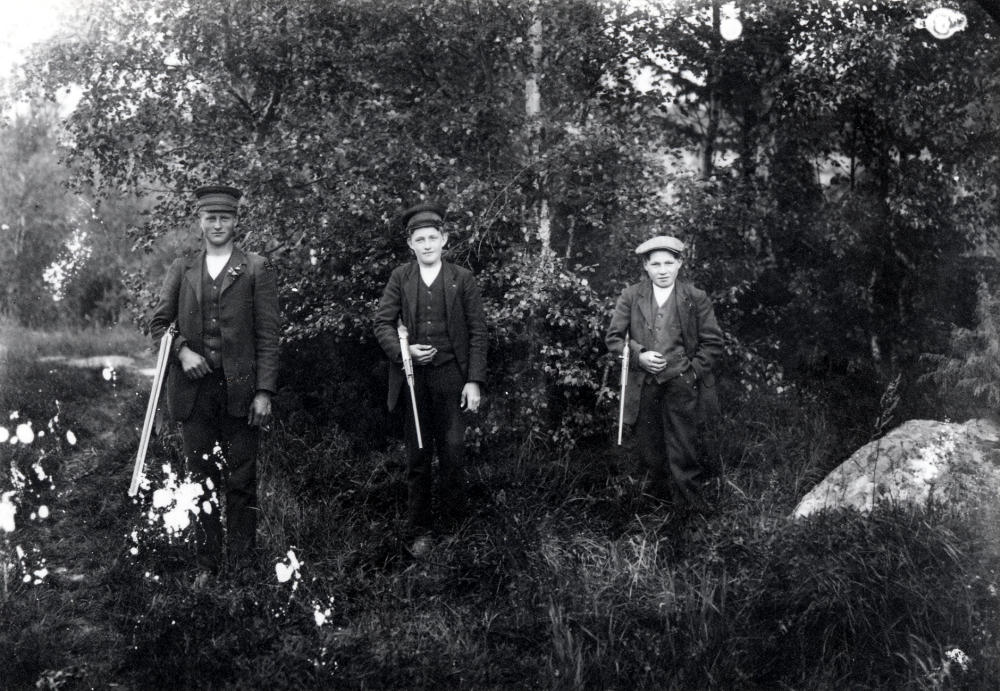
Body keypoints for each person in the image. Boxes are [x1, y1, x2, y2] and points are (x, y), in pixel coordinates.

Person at [149, 185, 280, 577]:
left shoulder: (256, 267)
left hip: (241, 392)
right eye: (211, 218)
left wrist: (264, 391)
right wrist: (183, 352)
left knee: (242, 480)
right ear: (200, 222)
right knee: (199, 480)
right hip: (194, 394)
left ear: (236, 222)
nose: (218, 224)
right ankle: (207, 565)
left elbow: (268, 337)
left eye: (225, 218)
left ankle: (242, 565)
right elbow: (158, 326)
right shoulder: (182, 268)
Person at [374, 202, 487, 555]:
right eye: (419, 239)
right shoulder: (400, 277)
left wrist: (474, 381)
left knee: (453, 453)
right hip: (413, 380)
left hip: (452, 376)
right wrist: (403, 352)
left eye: (432, 238)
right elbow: (382, 323)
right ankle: (420, 529)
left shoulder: (462, 278)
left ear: (444, 239)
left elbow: (478, 332)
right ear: (410, 244)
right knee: (418, 456)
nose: (426, 245)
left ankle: (457, 529)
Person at [606, 235, 723, 512]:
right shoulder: (632, 296)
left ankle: (689, 512)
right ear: (645, 266)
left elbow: (713, 343)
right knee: (649, 450)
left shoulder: (695, 297)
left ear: (680, 263)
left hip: (683, 384)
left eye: (669, 263)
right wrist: (639, 356)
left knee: (684, 448)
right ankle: (655, 510)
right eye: (655, 264)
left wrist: (692, 373)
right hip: (645, 384)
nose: (662, 270)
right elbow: (614, 339)